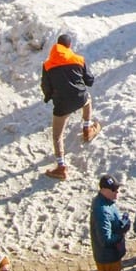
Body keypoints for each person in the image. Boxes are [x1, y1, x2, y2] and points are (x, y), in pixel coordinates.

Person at [42, 33, 96, 177]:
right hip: (80, 98)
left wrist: (49, 97)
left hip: (62, 105)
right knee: (88, 99)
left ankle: (61, 167)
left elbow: (46, 87)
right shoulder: (78, 59)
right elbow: (90, 81)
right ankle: (87, 128)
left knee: (57, 136)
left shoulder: (47, 65)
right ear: (69, 46)